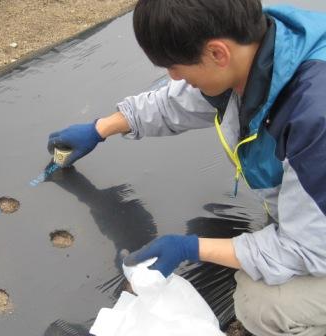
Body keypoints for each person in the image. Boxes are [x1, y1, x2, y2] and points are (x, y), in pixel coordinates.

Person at [47, 1, 326, 335]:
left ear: (217, 53)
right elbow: (177, 101)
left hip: (317, 240)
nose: (173, 77)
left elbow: (306, 247)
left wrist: (190, 247)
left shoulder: (314, 118)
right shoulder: (262, 50)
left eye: (175, 67)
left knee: (260, 305)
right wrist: (101, 128)